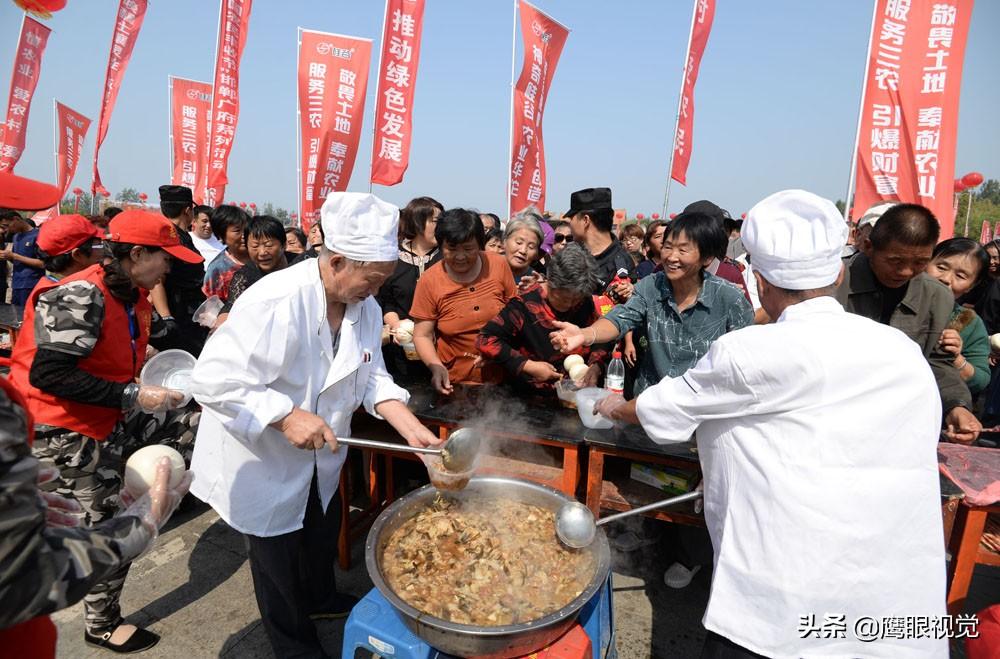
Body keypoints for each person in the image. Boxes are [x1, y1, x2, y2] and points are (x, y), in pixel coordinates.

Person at [593, 189, 948, 658]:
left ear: (758, 281)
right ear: (840, 272)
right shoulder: (901, 351)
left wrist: (611, 405)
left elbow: (663, 410)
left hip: (782, 600)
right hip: (895, 607)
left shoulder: (754, 352)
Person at [188, 192, 442, 659]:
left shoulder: (362, 304)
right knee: (277, 563)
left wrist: (410, 428)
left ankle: (322, 598)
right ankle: (294, 646)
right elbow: (210, 380)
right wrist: (283, 414)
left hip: (321, 453)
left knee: (321, 530)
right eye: (374, 278)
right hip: (261, 458)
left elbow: (371, 375)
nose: (378, 290)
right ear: (339, 260)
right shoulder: (275, 298)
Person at [8, 208, 202, 653]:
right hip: (64, 429)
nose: (169, 267)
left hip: (103, 415)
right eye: (165, 258)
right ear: (136, 254)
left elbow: (112, 345)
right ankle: (101, 624)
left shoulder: (129, 291)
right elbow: (50, 375)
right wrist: (135, 396)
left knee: (196, 420)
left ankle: (141, 481)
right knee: (108, 528)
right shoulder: (80, 294)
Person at [551, 211, 754, 396]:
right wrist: (584, 334)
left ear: (707, 257)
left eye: (683, 250)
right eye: (668, 247)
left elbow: (744, 362)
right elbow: (621, 318)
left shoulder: (729, 299)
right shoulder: (651, 286)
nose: (672, 257)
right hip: (647, 406)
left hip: (701, 413)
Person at [837, 203, 981, 443]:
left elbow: (937, 362)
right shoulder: (835, 284)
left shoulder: (936, 297)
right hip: (837, 415)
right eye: (895, 261)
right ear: (869, 246)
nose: (905, 272)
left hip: (899, 424)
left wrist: (957, 405)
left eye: (919, 263)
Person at [477, 243, 610, 394]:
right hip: (528, 399)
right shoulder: (524, 305)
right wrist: (528, 365)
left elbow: (599, 338)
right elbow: (486, 338)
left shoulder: (585, 303)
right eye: (564, 298)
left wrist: (596, 366)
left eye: (576, 299)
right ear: (550, 283)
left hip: (574, 395)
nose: (570, 304)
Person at [410, 207, 516, 394]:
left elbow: (516, 314)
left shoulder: (498, 265)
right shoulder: (429, 280)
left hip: (505, 374)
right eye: (451, 249)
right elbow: (422, 335)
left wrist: (499, 348)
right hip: (456, 381)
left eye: (468, 249)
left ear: (480, 244)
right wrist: (436, 367)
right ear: (441, 246)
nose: (460, 257)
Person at [377, 196, 443, 377]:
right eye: (436, 221)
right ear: (417, 222)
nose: (442, 226)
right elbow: (386, 301)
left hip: (441, 349)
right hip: (400, 350)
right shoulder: (393, 257)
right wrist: (397, 326)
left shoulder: (446, 258)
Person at [926, 238, 991, 396]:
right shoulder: (897, 297)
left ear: (972, 285)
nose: (946, 279)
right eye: (941, 267)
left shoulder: (967, 321)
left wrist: (956, 358)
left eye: (960, 276)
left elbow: (980, 380)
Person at [150, 185, 208, 356]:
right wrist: (167, 318)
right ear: (188, 210)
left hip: (189, 310)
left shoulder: (181, 235)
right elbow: (157, 280)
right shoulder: (170, 237)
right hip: (178, 311)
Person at [564, 187, 634, 299]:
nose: (569, 222)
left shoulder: (621, 263)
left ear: (585, 220)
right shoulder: (570, 253)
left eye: (572, 217)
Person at [221, 216, 290, 314]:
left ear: (284, 245)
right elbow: (232, 307)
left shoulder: (300, 264)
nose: (262, 252)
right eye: (255, 246)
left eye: (268, 245)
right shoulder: (243, 277)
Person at [35, 214, 105, 282]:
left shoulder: (54, 285)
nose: (104, 251)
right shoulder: (85, 291)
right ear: (78, 255)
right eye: (99, 245)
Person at [202, 204, 250, 302]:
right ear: (221, 235)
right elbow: (212, 308)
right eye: (237, 231)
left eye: (247, 230)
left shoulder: (263, 259)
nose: (244, 235)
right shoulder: (217, 269)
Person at [3, 215, 45, 306]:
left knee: (28, 316)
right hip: (16, 284)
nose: (7, 229)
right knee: (17, 316)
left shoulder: (38, 235)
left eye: (7, 225)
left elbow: (42, 263)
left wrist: (15, 256)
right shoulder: (16, 237)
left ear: (16, 219)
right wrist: (8, 257)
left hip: (31, 284)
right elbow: (16, 260)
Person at [503, 208, 544, 285]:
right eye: (519, 243)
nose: (523, 251)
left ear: (536, 254)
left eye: (531, 247)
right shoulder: (486, 270)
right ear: (504, 241)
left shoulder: (536, 282)